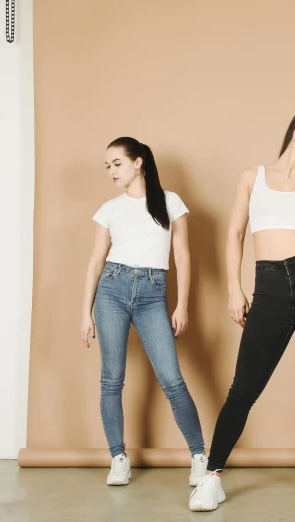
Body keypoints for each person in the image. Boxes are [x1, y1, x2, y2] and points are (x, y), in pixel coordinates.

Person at [189, 106, 295, 512]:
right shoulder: (252, 177)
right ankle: (211, 478)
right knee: (243, 390)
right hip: (271, 289)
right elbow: (235, 233)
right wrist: (233, 287)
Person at [80, 137, 207, 487]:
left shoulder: (170, 202)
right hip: (112, 289)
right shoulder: (109, 209)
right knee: (112, 380)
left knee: (172, 380)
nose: (111, 171)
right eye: (107, 166)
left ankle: (199, 456)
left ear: (138, 163)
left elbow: (182, 256)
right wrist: (84, 312)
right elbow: (94, 263)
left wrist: (181, 304)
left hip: (154, 292)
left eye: (116, 163)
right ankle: (118, 458)